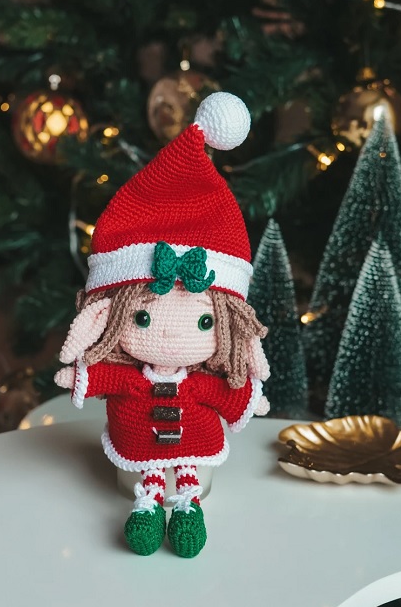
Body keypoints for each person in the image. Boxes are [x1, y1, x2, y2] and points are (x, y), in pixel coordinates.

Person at [55, 92, 270, 558]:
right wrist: (79, 376)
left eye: (205, 321)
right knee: (149, 480)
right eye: (143, 316)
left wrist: (249, 396)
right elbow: (108, 378)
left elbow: (224, 393)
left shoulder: (200, 381)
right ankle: (148, 507)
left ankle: (188, 507)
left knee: (187, 481)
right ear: (108, 313)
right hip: (138, 450)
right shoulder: (132, 377)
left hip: (196, 445)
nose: (172, 336)